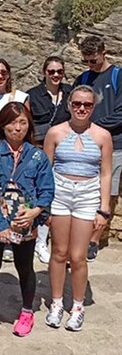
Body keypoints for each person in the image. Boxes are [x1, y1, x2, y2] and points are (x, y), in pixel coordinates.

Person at [0, 103, 54, 340]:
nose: (17, 128)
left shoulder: (37, 155)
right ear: (2, 125)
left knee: (24, 268)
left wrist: (35, 212)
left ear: (29, 125)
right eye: (12, 122)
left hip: (25, 223)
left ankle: (27, 312)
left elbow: (47, 189)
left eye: (22, 122)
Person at [43, 85, 112, 332]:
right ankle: (57, 302)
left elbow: (105, 174)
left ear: (93, 107)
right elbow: (46, 170)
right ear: (69, 105)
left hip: (87, 195)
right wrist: (45, 205)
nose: (81, 108)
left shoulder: (103, 136)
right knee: (59, 252)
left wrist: (104, 209)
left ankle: (78, 306)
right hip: (60, 194)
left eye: (87, 105)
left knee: (78, 256)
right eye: (77, 104)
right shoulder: (55, 133)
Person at [73, 36, 122, 260]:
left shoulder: (117, 76)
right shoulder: (83, 78)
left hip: (114, 144)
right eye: (86, 61)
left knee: (107, 193)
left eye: (93, 60)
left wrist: (95, 127)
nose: (90, 66)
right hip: (84, 143)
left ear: (104, 53)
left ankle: (93, 239)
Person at [26, 55, 71, 264]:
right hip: (38, 150)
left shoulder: (70, 94)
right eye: (51, 71)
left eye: (59, 72)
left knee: (53, 196)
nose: (55, 75)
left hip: (63, 151)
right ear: (44, 72)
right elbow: (26, 122)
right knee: (33, 193)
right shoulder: (33, 95)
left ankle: (42, 240)